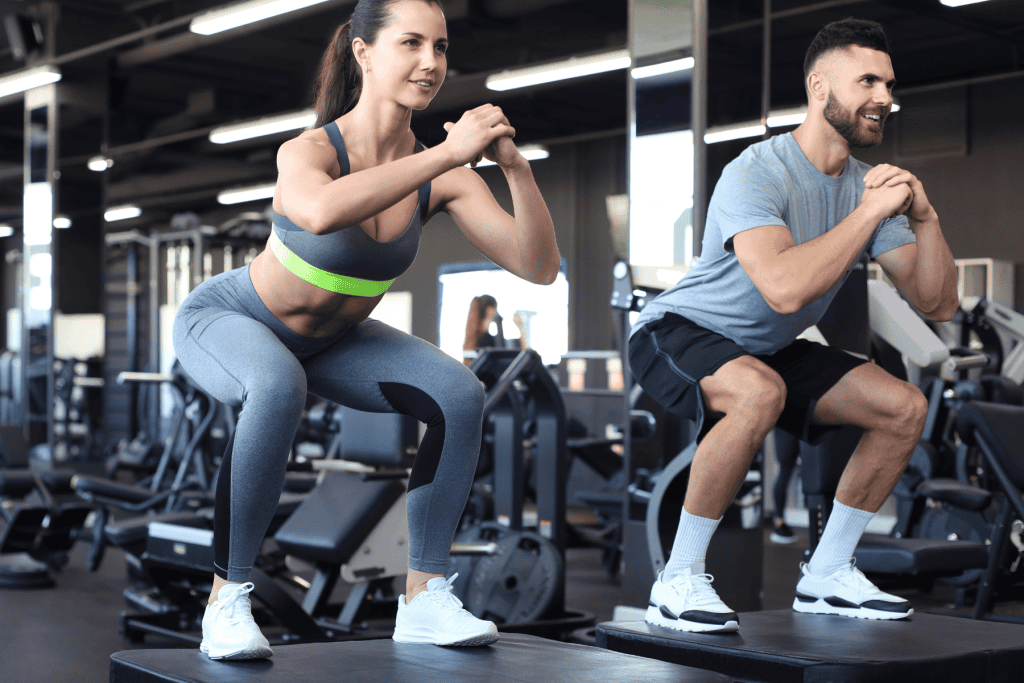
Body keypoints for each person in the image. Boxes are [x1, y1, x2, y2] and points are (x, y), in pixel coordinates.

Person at [172, 0, 559, 660]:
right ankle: (225, 600)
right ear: (364, 53)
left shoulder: (444, 175)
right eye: (411, 43)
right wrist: (446, 156)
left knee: (459, 393)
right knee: (275, 381)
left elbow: (539, 264)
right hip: (232, 320)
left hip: (335, 341)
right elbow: (320, 212)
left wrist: (514, 168)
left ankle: (424, 596)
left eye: (439, 47)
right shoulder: (311, 150)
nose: (431, 62)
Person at [628, 18, 958, 634]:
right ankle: (677, 580)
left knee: (904, 407)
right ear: (818, 87)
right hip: (677, 331)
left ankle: (828, 572)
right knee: (758, 392)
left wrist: (928, 218)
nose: (884, 97)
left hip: (767, 346)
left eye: (888, 83)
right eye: (867, 80)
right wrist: (868, 214)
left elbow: (937, 304)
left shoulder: (866, 187)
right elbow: (783, 289)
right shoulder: (757, 171)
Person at [462, 295, 528, 365]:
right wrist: (521, 328)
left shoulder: (473, 341)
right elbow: (525, 353)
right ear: (490, 310)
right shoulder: (489, 341)